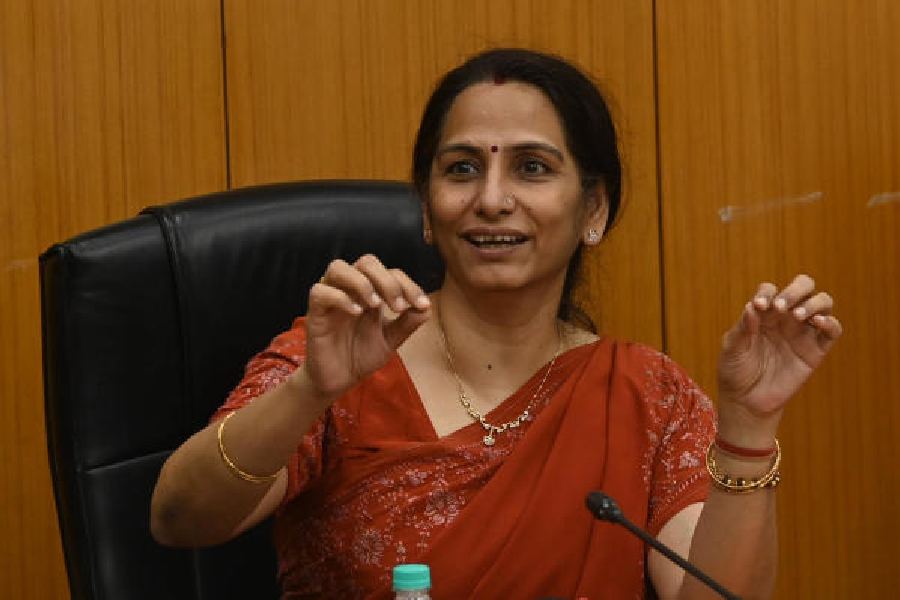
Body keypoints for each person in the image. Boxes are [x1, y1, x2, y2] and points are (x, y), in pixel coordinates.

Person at [150, 48, 842, 599]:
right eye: (461, 169)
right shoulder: (336, 356)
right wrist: (310, 391)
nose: (491, 199)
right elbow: (179, 519)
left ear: (593, 210)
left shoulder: (645, 395)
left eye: (532, 168)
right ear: (428, 209)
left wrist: (749, 429)